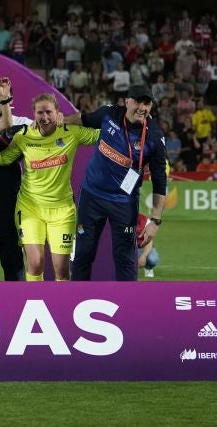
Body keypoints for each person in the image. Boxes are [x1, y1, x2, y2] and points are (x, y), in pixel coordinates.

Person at [64, 84, 167, 281]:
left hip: (123, 203)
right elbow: (83, 119)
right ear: (127, 101)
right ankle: (76, 297)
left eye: (147, 104)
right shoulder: (109, 114)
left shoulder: (154, 136)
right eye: (138, 102)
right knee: (84, 253)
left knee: (125, 258)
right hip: (92, 196)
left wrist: (155, 220)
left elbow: (159, 181)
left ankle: (129, 305)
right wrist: (60, 121)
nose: (142, 108)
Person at [0, 94, 100, 281]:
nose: (45, 117)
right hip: (30, 208)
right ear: (34, 114)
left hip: (62, 211)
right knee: (35, 264)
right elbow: (4, 158)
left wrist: (122, 122)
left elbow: (100, 136)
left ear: (57, 112)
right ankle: (35, 306)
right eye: (40, 113)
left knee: (61, 270)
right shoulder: (24, 136)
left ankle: (62, 307)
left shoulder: (71, 132)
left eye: (49, 112)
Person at [0, 78, 33, 282]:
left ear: (9, 97)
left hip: (9, 204)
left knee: (13, 263)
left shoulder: (24, 123)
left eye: (2, 91)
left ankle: (18, 307)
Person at [136, 213, 160, 278]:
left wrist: (144, 256)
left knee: (153, 259)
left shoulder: (146, 221)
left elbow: (149, 242)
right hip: (127, 248)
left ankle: (148, 268)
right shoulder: (123, 218)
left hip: (142, 247)